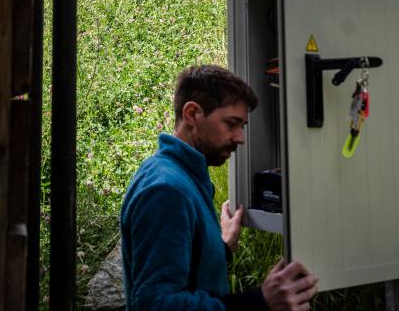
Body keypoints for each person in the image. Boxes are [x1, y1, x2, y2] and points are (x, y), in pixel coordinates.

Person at [120, 64, 319, 310]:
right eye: (231, 123)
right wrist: (259, 302)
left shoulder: (178, 173)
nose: (240, 138)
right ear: (192, 114)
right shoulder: (167, 190)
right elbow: (155, 303)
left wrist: (221, 246)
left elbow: (186, 270)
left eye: (242, 126)